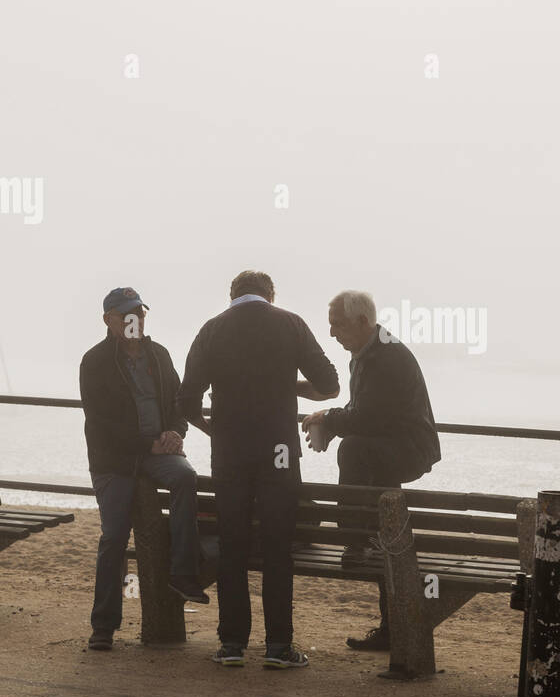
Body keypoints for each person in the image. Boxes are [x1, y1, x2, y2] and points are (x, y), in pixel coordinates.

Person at [179, 271, 339, 668]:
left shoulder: (211, 330)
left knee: (232, 545)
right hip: (279, 451)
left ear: (232, 294)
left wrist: (210, 428)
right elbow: (331, 385)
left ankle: (232, 644)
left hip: (230, 451)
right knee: (277, 548)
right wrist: (289, 385)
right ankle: (278, 647)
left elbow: (186, 400)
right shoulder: (291, 324)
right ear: (270, 295)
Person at [302, 290, 440, 652]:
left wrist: (328, 420)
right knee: (387, 532)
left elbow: (370, 417)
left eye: (338, 325)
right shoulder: (368, 352)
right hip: (391, 448)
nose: (332, 333)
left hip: (407, 448)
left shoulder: (385, 357)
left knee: (354, 449)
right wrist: (331, 423)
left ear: (362, 321)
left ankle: (353, 539)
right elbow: (364, 410)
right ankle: (391, 627)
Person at [80, 287, 207, 652]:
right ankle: (103, 627)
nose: (135, 319)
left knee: (186, 477)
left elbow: (180, 404)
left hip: (156, 451)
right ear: (109, 320)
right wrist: (146, 444)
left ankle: (183, 574)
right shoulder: (95, 361)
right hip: (115, 460)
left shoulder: (160, 354)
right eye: (126, 314)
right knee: (114, 537)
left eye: (139, 312)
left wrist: (175, 433)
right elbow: (100, 423)